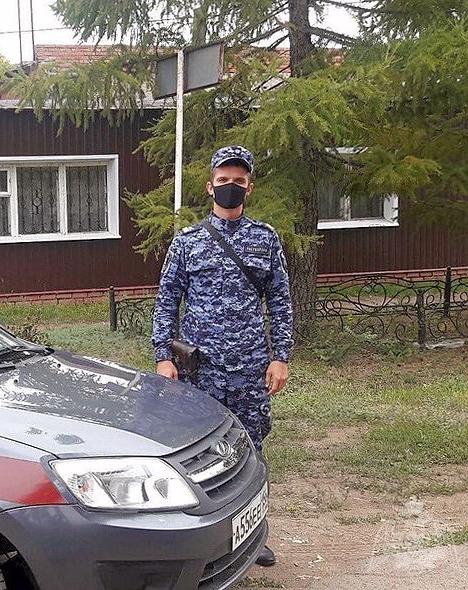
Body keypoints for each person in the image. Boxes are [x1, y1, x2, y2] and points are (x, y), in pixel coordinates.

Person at [151, 145, 293, 567]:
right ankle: (205, 541)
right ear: (210, 186)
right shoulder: (188, 242)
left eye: (239, 181)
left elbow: (280, 301)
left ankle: (253, 533)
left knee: (252, 449)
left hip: (250, 368)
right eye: (224, 180)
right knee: (197, 453)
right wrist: (163, 356)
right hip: (201, 371)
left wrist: (280, 357)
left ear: (250, 188)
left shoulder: (265, 239)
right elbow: (167, 301)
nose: (231, 186)